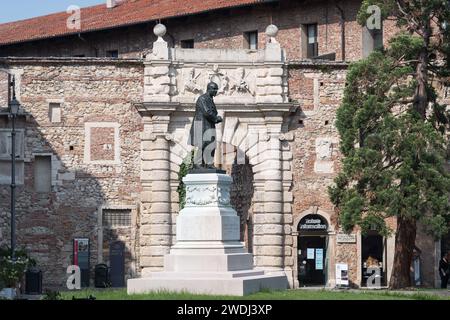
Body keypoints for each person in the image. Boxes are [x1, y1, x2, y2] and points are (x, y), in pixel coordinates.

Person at [188, 82, 223, 168]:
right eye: (214, 89)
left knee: (211, 144)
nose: (216, 91)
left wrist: (216, 117)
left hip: (209, 124)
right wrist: (216, 118)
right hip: (202, 125)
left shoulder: (210, 99)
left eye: (216, 89)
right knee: (202, 144)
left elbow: (213, 111)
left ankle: (209, 163)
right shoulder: (202, 98)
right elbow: (207, 112)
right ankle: (198, 163)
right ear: (209, 89)